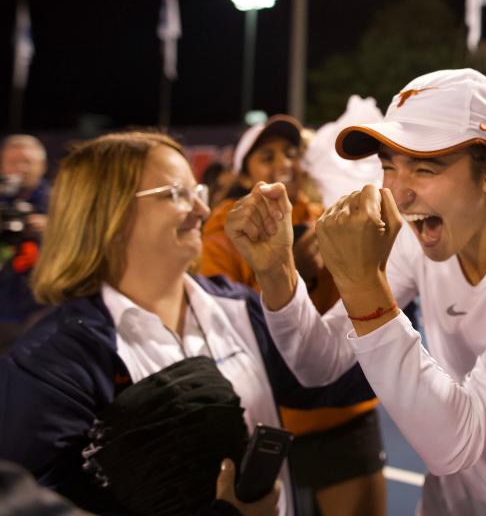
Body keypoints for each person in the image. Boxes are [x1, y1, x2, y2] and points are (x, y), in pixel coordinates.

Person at [226, 68, 486, 515]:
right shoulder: (418, 241)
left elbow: (457, 441)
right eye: (389, 167)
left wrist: (363, 284)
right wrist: (278, 271)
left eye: (423, 168)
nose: (396, 194)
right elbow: (317, 365)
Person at [0, 131, 372, 515]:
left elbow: (333, 380)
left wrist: (388, 272)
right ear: (108, 212)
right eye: (177, 194)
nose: (202, 209)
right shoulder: (52, 361)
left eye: (198, 191)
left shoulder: (238, 306)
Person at [199, 116, 386, 516]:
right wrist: (287, 271)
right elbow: (220, 324)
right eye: (266, 156)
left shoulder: (327, 215)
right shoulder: (222, 233)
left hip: (342, 415)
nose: (283, 162)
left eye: (291, 152)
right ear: (244, 170)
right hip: (273, 421)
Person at [0, 135, 52, 349]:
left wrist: (52, 228)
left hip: (40, 306)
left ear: (43, 166)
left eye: (28, 162)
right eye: (13, 162)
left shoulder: (60, 200)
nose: (21, 168)